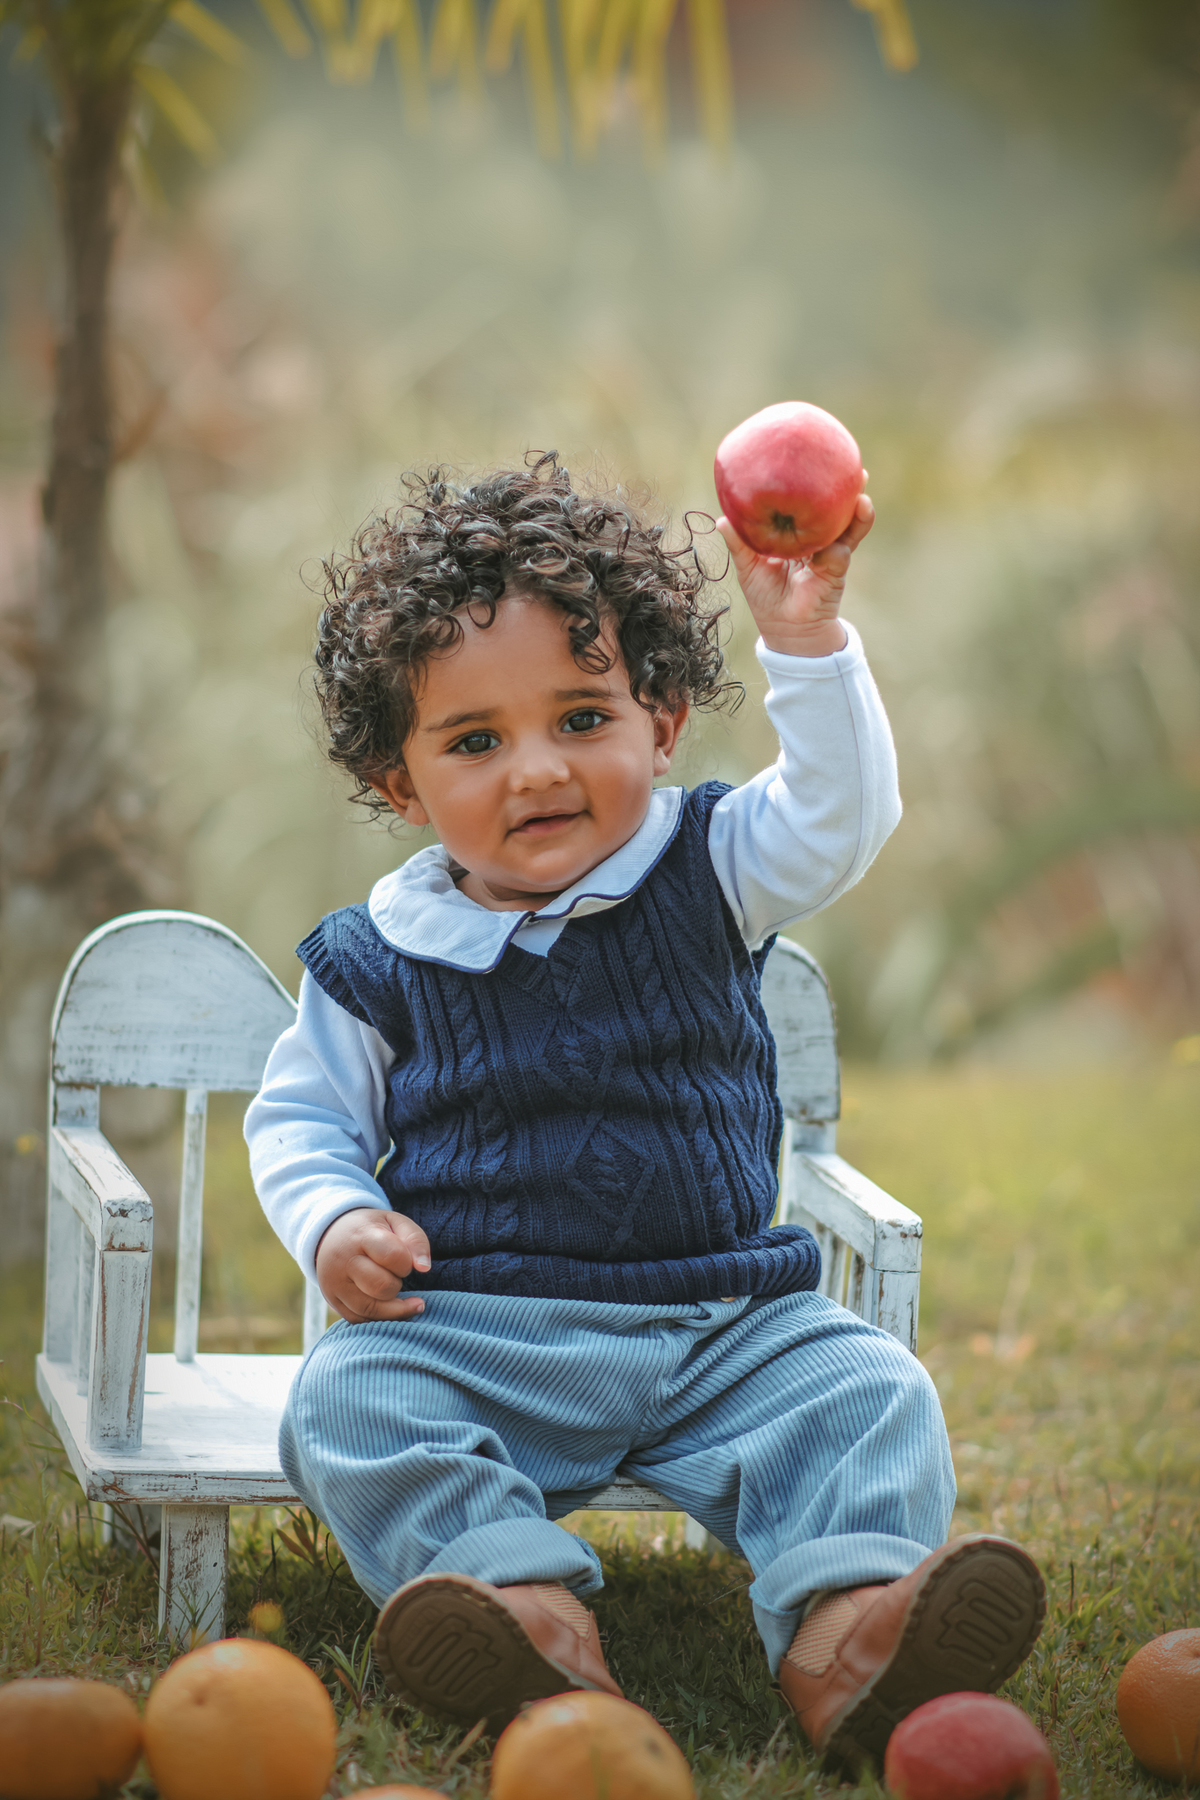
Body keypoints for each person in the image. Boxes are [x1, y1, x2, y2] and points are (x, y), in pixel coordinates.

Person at [245, 453, 1044, 1770]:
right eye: (475, 741)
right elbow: (300, 1122)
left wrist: (806, 640)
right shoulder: (379, 957)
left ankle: (851, 1634)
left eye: (581, 718)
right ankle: (528, 1621)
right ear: (401, 785)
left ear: (660, 721)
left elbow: (846, 814)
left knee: (867, 1388)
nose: (538, 772)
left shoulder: (712, 866)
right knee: (350, 1400)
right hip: (481, 1335)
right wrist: (333, 1220)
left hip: (723, 1324)